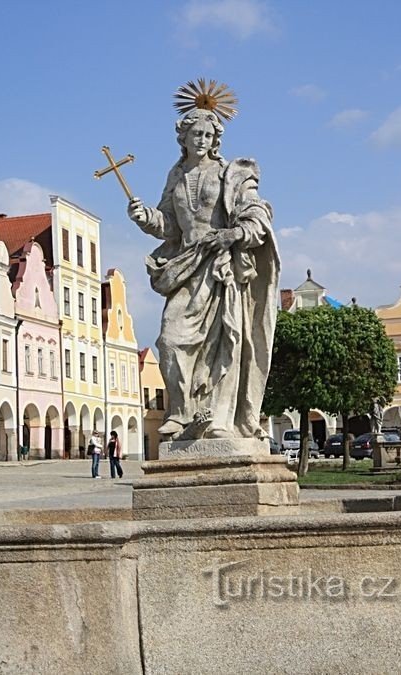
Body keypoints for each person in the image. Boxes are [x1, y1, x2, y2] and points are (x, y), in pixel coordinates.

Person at [128, 102, 279, 441]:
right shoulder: (176, 176)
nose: (202, 140)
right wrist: (145, 217)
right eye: (196, 133)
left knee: (225, 341)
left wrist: (233, 234)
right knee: (169, 339)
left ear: (216, 139)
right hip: (186, 266)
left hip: (221, 267)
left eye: (208, 135)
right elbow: (170, 225)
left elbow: (257, 215)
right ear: (183, 137)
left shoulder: (231, 174)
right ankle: (181, 413)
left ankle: (218, 420)